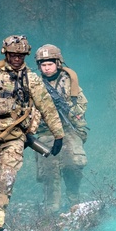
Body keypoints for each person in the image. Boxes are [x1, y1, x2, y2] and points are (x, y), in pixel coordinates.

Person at [0, 34, 65, 208]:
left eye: (20, 56)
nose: (17, 59)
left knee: (5, 183)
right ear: (6, 54)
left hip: (14, 136)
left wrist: (58, 135)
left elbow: (47, 106)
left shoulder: (31, 79)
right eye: (13, 55)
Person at [34, 43, 88, 212]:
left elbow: (81, 103)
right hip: (45, 131)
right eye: (43, 65)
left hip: (69, 129)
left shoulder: (68, 81)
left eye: (50, 64)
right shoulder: (35, 84)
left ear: (57, 63)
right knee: (49, 170)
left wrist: (69, 111)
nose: (47, 68)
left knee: (73, 164)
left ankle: (74, 200)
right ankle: (52, 209)